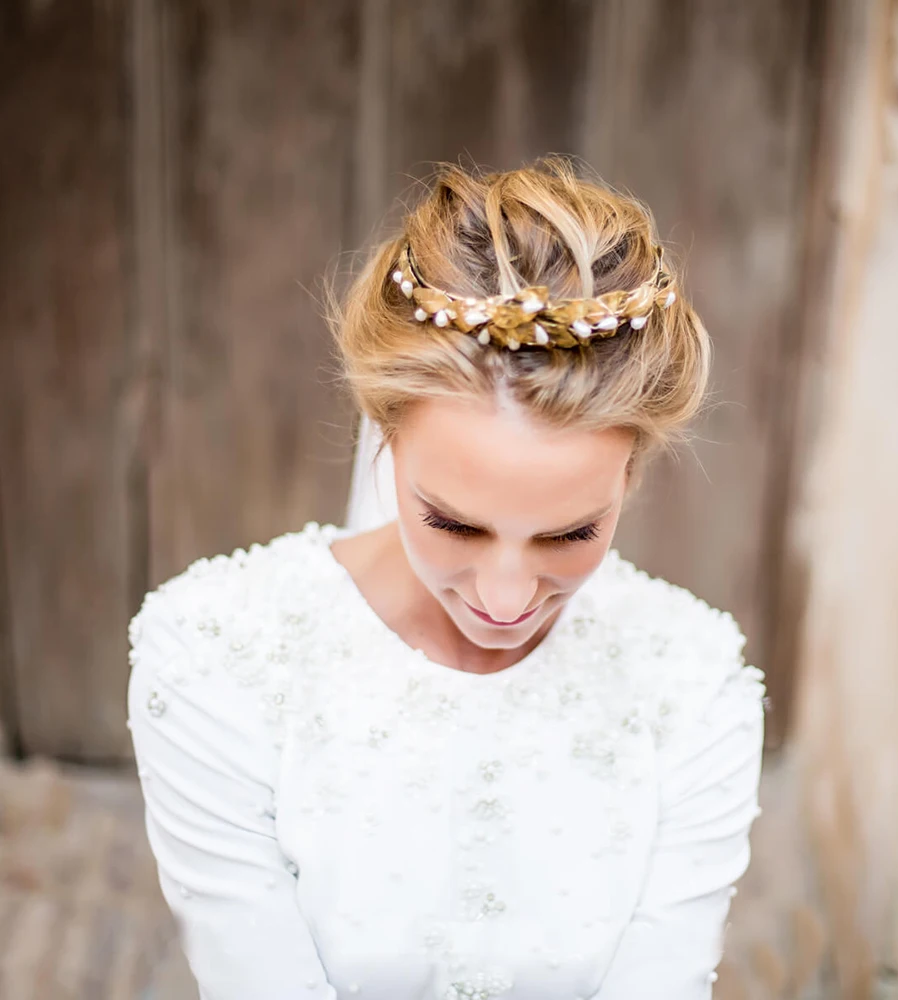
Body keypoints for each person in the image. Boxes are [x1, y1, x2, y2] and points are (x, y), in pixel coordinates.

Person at [126, 157, 766, 1000]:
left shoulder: (692, 684)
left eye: (571, 533)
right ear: (383, 432)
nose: (504, 600)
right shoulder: (210, 660)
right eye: (454, 522)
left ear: (634, 475)